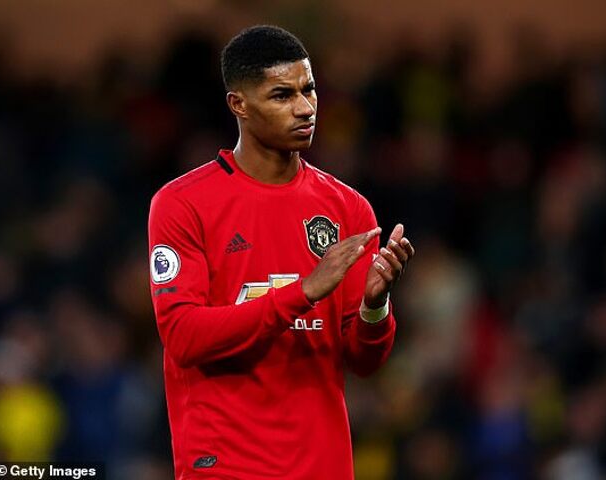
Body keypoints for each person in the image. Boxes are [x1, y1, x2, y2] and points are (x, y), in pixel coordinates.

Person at [148, 25, 415, 480]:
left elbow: (365, 362)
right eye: (281, 95)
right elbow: (185, 336)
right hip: (226, 467)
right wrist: (303, 292)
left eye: (308, 89)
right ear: (239, 104)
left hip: (323, 468)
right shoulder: (182, 204)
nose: (305, 108)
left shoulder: (348, 208)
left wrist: (375, 306)